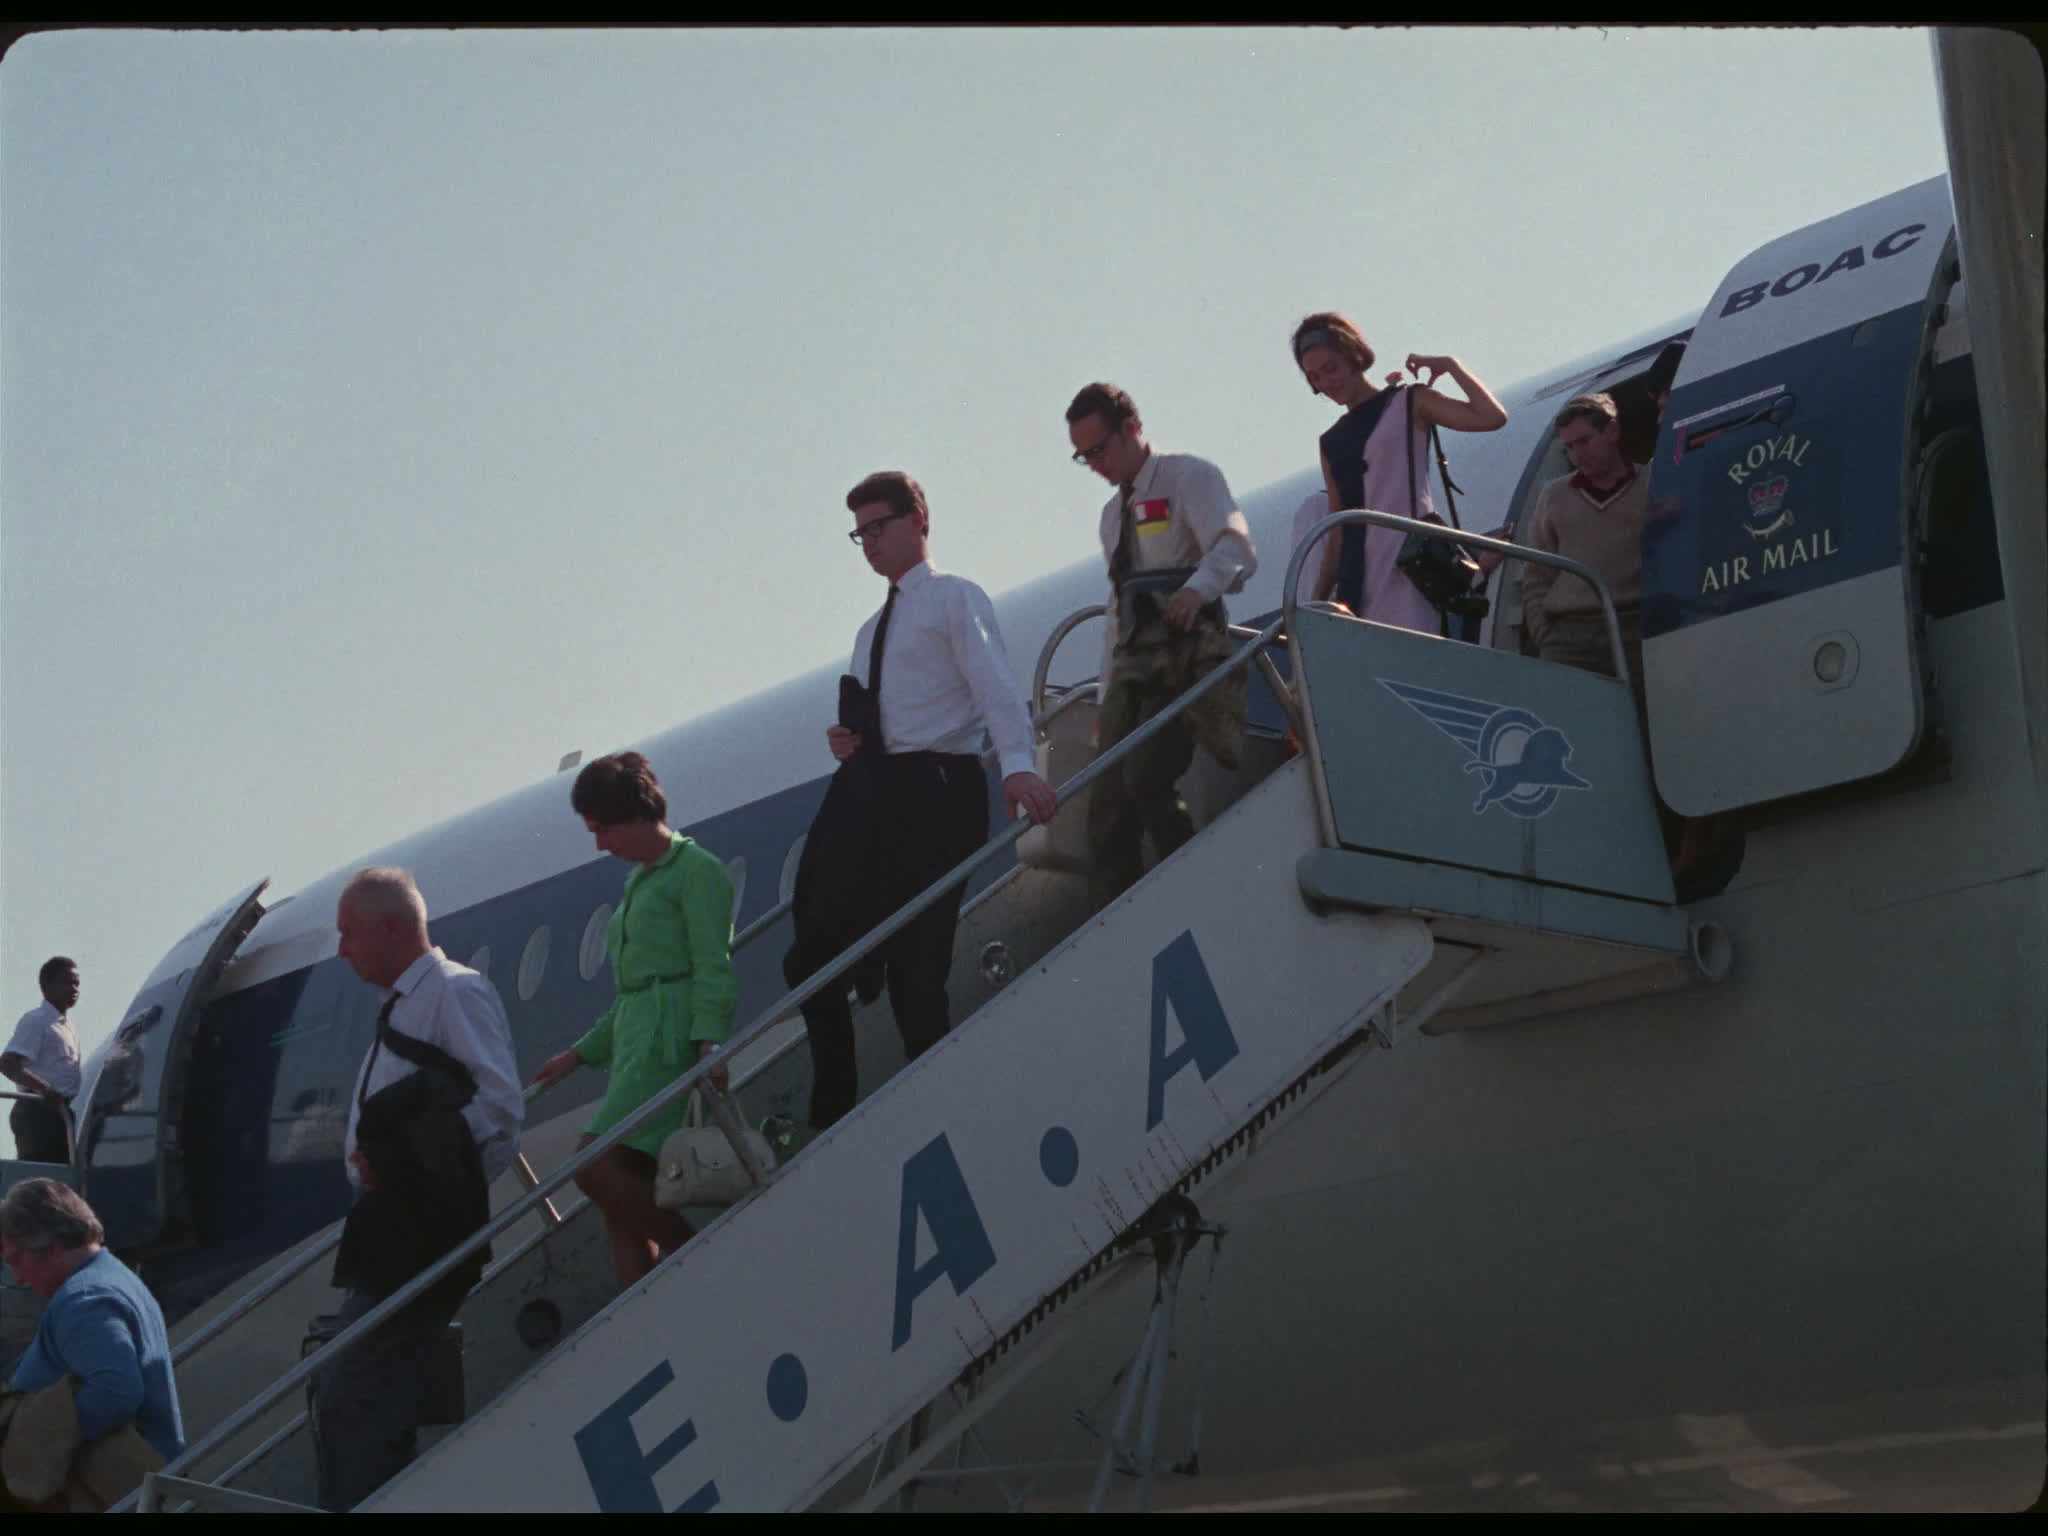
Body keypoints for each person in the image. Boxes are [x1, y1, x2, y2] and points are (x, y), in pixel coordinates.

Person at [783, 470, 1055, 1132]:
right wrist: (848, 739)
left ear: (918, 521)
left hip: (936, 790)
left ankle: (942, 1109)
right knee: (810, 958)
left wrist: (1018, 767)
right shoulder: (869, 631)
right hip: (877, 793)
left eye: (879, 526)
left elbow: (994, 687)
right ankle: (834, 1106)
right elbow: (879, 714)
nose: (870, 543)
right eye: (860, 534)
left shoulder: (952, 599)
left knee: (916, 967)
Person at [313, 866, 523, 1512]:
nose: (342, 949)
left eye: (348, 933)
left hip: (422, 1226)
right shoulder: (403, 1007)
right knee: (361, 1390)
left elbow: (499, 1108)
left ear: (390, 929)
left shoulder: (454, 992)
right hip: (391, 1224)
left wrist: (413, 1174)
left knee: (355, 1389)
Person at [529, 751, 737, 1291]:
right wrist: (578, 1055)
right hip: (636, 1043)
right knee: (620, 1200)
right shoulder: (639, 883)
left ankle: (701, 1257)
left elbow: (713, 964)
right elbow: (633, 995)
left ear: (635, 814)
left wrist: (710, 1041)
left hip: (669, 1045)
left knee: (594, 1165)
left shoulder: (697, 871)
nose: (600, 844)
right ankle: (644, 1304)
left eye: (603, 829)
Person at [1066, 383, 1257, 911]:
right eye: (1084, 458)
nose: (1095, 465)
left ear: (1131, 429)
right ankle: (1117, 909)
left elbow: (1236, 548)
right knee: (1106, 796)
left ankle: (1189, 883)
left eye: (1099, 450)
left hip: (1183, 652)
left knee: (1147, 773)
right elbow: (1117, 612)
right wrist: (1106, 696)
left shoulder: (1188, 477)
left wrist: (1196, 591)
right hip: (1133, 661)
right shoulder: (1112, 516)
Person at [1290, 312, 1508, 634]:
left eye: (1330, 368)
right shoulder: (1330, 442)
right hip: (1358, 582)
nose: (1326, 383)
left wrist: (1451, 365)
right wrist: (1312, 605)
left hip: (1412, 568)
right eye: (1315, 378)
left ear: (1352, 356)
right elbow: (1339, 531)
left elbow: (1491, 417)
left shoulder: (1409, 402)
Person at [1, 1178, 183, 1481]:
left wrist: (31, 1450)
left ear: (51, 1245)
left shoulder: (85, 1300)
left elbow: (115, 1391)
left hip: (109, 1491)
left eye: (16, 1260)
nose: (18, 1277)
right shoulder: (111, 1278)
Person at [3, 959, 81, 1165]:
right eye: (67, 982)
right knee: (42, 1172)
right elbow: (8, 1063)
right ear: (47, 986)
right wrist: (44, 1089)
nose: (74, 989)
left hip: (60, 1112)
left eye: (76, 984)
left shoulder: (66, 1027)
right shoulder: (37, 1020)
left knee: (61, 1173)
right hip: (38, 1111)